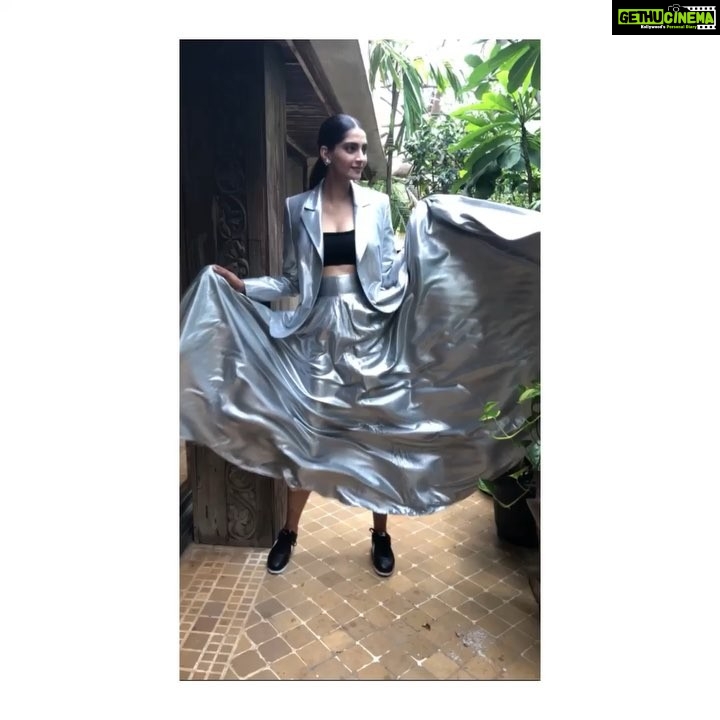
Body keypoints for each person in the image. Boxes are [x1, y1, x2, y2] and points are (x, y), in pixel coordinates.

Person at [179, 113, 540, 579]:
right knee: (308, 438)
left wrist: (426, 261)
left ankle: (380, 534)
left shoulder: (377, 205)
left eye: (364, 149)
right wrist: (245, 287)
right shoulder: (297, 208)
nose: (361, 157)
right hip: (317, 335)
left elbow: (387, 274)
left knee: (378, 434)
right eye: (351, 148)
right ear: (326, 153)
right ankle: (289, 532)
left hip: (372, 331)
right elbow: (292, 281)